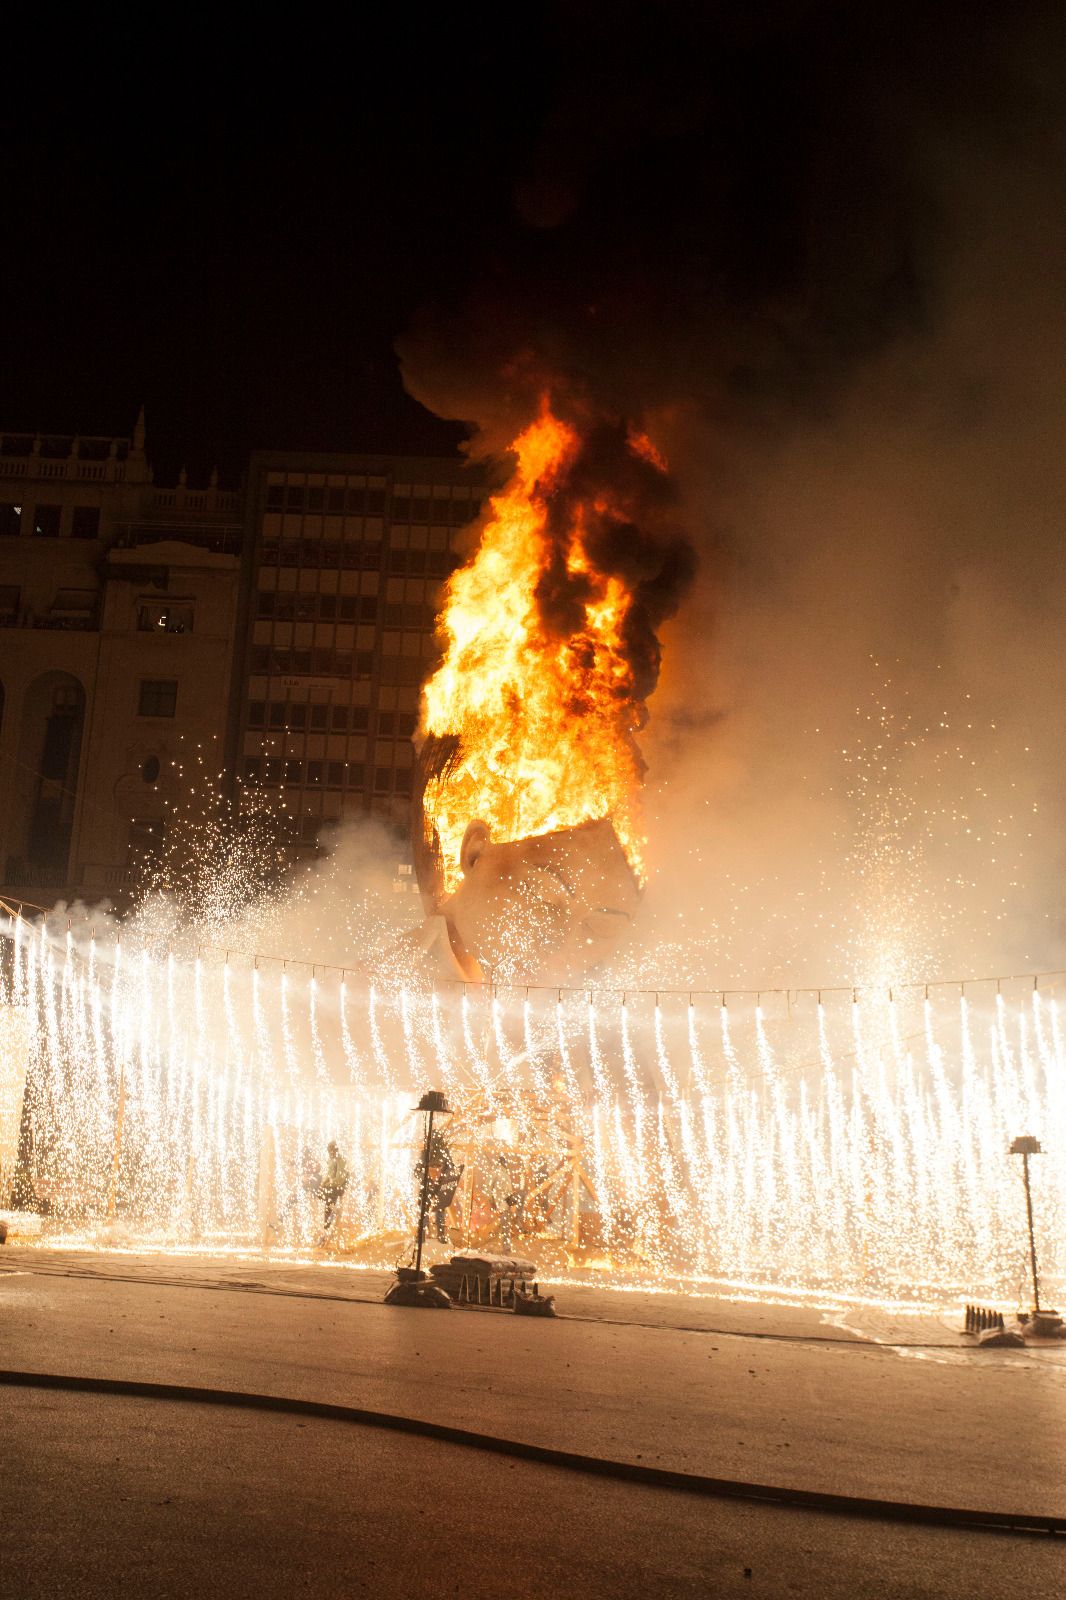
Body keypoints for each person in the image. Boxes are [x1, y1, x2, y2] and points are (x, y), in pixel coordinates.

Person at [320, 1140, 349, 1231]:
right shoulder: (331, 1160)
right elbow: (329, 1174)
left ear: (336, 1150)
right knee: (323, 1196)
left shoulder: (340, 1160)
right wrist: (324, 1183)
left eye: (331, 1151)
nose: (330, 1153)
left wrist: (329, 1184)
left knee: (328, 1198)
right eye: (329, 1151)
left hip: (339, 1187)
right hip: (332, 1186)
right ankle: (327, 1223)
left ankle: (329, 1220)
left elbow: (340, 1178)